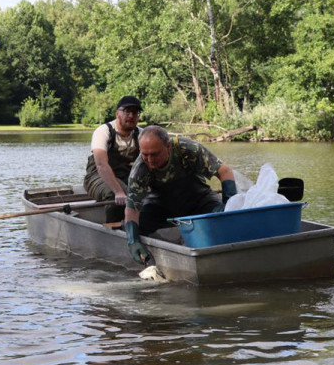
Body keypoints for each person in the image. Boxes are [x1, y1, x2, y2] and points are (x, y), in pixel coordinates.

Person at [124, 125, 237, 264]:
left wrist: (229, 204)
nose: (150, 160)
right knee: (136, 227)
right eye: (145, 154)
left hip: (199, 198)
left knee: (221, 218)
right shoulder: (139, 169)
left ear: (168, 147)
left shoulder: (187, 149)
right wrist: (133, 241)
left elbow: (224, 171)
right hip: (161, 205)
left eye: (154, 154)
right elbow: (132, 208)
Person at [83, 95, 143, 222]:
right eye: (127, 111)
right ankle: (114, 230)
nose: (131, 116)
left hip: (126, 177)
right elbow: (101, 165)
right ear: (117, 114)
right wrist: (118, 191)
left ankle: (142, 228)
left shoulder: (142, 134)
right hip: (97, 176)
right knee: (118, 195)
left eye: (135, 112)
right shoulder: (104, 131)